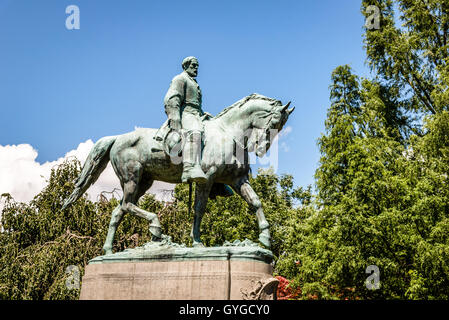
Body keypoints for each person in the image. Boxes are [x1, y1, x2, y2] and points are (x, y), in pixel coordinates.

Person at [163, 56, 209, 184]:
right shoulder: (180, 79)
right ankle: (189, 168)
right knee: (195, 132)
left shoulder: (194, 83)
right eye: (193, 65)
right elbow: (172, 98)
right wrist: (175, 116)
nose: (196, 68)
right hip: (186, 114)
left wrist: (204, 114)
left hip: (196, 114)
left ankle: (216, 182)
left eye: (197, 66)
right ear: (185, 66)